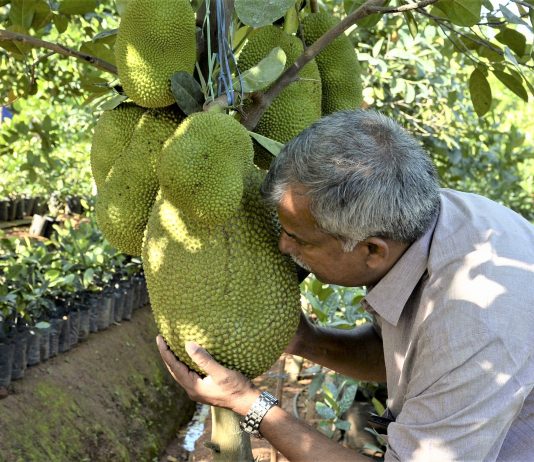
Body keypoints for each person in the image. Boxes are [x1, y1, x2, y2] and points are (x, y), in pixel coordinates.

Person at [156, 110, 534, 461]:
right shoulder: (425, 224)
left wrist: (248, 403)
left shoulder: (473, 330)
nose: (283, 247)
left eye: (300, 239)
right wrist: (306, 340)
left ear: (372, 250)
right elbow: (400, 358)